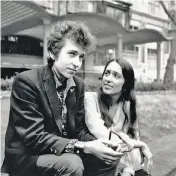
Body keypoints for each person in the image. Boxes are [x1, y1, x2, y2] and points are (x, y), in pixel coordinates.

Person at [1, 21, 123, 176]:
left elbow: (78, 129)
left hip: (65, 150)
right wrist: (85, 147)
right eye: (72, 54)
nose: (77, 63)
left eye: (81, 57)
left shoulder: (78, 85)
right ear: (53, 52)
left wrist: (101, 143)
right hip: (28, 157)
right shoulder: (26, 82)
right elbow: (34, 137)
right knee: (72, 164)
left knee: (108, 157)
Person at [84, 58, 153, 176]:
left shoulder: (127, 107)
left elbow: (134, 137)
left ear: (126, 84)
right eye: (107, 73)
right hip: (98, 166)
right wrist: (141, 145)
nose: (108, 79)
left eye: (116, 76)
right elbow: (103, 134)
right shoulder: (90, 99)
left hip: (125, 165)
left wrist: (129, 168)